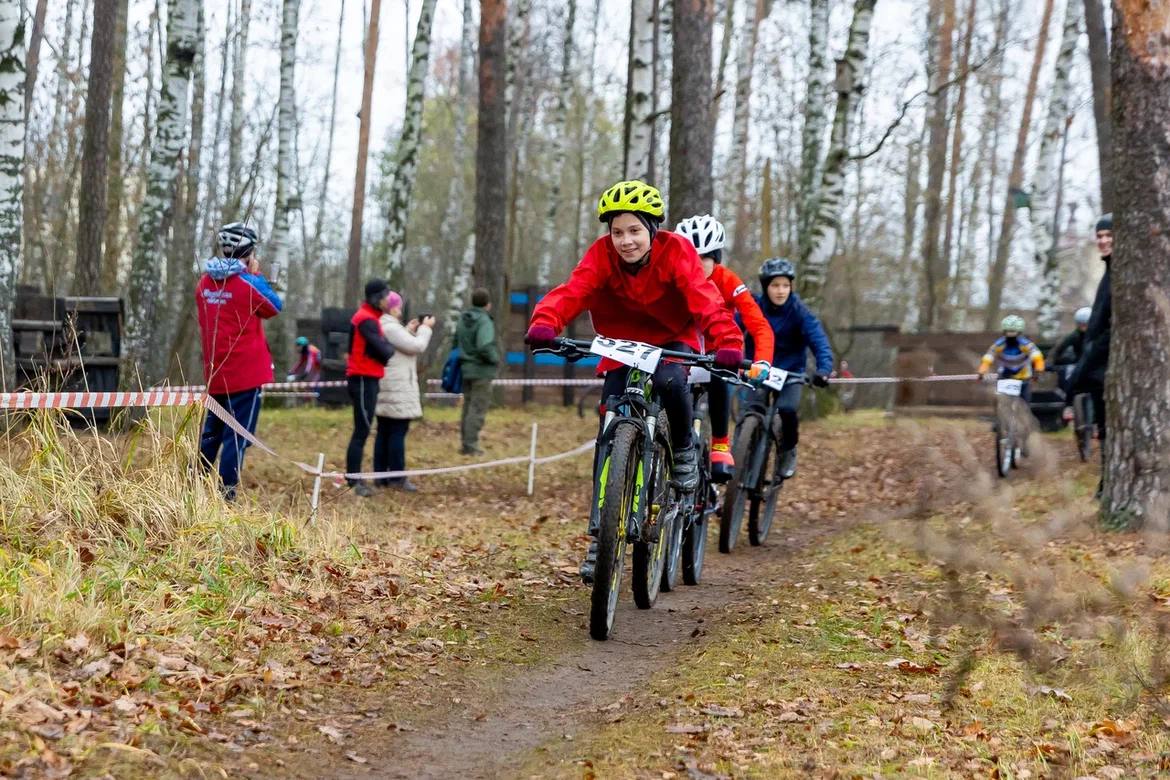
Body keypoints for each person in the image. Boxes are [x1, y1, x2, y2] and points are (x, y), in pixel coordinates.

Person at [524, 180, 744, 581]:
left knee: (674, 383)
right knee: (609, 427)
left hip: (670, 339)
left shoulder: (676, 252)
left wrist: (726, 341)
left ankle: (681, 451)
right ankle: (599, 536)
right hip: (620, 345)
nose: (625, 241)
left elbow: (705, 300)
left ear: (652, 228)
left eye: (634, 231)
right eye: (617, 231)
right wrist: (545, 322)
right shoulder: (600, 256)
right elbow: (573, 291)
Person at [674, 213, 772, 483]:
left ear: (715, 258)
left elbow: (759, 325)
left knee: (719, 372)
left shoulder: (728, 280)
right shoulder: (672, 278)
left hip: (718, 352)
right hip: (681, 350)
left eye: (704, 258)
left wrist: (762, 361)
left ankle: (719, 443)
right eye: (690, 258)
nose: (697, 264)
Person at [195, 222, 282, 500]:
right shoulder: (247, 283)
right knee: (236, 435)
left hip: (216, 371)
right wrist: (254, 275)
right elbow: (274, 306)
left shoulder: (204, 283)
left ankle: (193, 484)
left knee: (213, 431)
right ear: (248, 251)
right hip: (246, 374)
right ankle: (226, 495)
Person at [745, 258, 834, 480]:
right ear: (766, 286)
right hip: (759, 369)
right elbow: (733, 326)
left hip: (790, 373)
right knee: (751, 410)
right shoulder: (753, 306)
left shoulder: (799, 311)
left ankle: (787, 451)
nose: (781, 291)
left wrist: (824, 369)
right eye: (775, 285)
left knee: (786, 411)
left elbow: (818, 340)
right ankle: (743, 453)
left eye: (785, 285)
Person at [1070, 213, 1113, 497]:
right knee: (1104, 427)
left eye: (1109, 235)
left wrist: (1087, 363)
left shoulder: (1120, 274)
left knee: (1110, 427)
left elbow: (1112, 328)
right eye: (1099, 236)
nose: (1103, 241)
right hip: (1098, 368)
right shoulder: (1108, 274)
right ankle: (1108, 481)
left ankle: (1107, 484)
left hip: (1106, 367)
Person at [374, 295, 435, 492]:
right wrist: (426, 329)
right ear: (392, 308)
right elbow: (416, 346)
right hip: (397, 388)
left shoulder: (386, 326)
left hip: (389, 386)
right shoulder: (390, 327)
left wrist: (408, 330)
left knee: (384, 432)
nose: (400, 311)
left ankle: (381, 475)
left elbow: (399, 345)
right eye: (398, 307)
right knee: (397, 432)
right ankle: (396, 476)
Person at [345, 279, 397, 497]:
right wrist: (388, 348)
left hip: (367, 378)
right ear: (377, 298)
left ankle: (354, 478)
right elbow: (384, 350)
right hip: (363, 379)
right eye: (385, 296)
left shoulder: (368, 318)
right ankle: (354, 480)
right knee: (362, 430)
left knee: (362, 430)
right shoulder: (366, 320)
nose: (389, 300)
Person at [454, 288, 501, 455]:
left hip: (466, 368)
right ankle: (471, 446)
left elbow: (455, 342)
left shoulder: (462, 319)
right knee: (477, 409)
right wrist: (495, 359)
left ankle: (465, 444)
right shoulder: (484, 321)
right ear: (488, 304)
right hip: (481, 370)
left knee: (467, 407)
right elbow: (484, 345)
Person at [977, 314, 1046, 401]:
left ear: (1019, 332)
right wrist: (982, 370)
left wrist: (1039, 370)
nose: (1011, 336)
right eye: (1008, 332)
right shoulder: (999, 344)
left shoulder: (1026, 344)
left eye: (1013, 333)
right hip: (1005, 377)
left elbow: (1037, 357)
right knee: (1002, 402)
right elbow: (989, 356)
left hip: (1023, 378)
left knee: (1024, 403)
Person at [1052, 307, 1092, 420]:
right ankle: (1069, 406)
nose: (1084, 327)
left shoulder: (1097, 336)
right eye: (1081, 324)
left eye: (1086, 324)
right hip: (1079, 364)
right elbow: (1060, 350)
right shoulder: (1074, 337)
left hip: (1094, 364)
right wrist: (1058, 361)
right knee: (1071, 379)